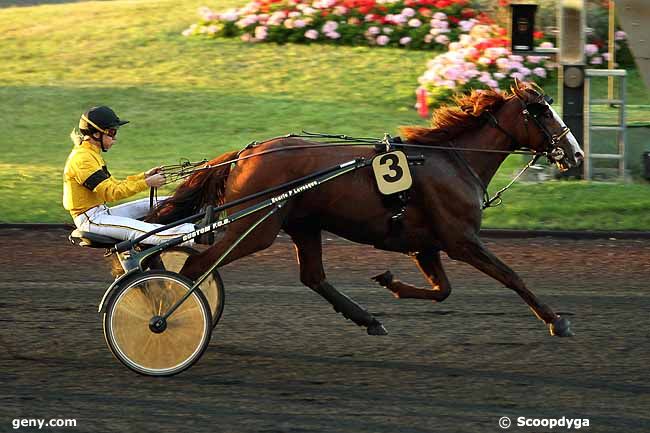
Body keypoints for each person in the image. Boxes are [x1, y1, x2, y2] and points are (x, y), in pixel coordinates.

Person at [63, 106, 208, 245]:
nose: (115, 138)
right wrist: (147, 183)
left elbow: (115, 185)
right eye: (112, 132)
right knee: (147, 233)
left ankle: (202, 210)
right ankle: (197, 233)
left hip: (101, 212)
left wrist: (144, 176)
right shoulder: (82, 160)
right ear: (96, 134)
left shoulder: (91, 154)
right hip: (91, 220)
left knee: (160, 203)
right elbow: (112, 193)